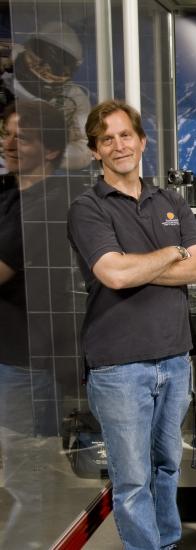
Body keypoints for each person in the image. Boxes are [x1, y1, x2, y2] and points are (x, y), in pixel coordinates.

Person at [67, 99, 196, 550]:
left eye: (125, 134)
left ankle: (165, 543)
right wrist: (173, 252)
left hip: (173, 358)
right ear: (95, 151)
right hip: (118, 368)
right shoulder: (88, 208)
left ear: (142, 141)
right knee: (132, 479)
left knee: (167, 467)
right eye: (106, 139)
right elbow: (113, 274)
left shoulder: (169, 200)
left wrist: (142, 265)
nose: (118, 145)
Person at [0, 100, 67, 548]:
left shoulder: (49, 203)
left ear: (50, 150)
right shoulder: (9, 192)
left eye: (21, 137)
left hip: (27, 360)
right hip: (9, 357)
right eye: (5, 133)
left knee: (29, 473)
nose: (8, 144)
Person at [1, 21, 92, 170]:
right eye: (44, 59)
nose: (46, 69)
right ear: (29, 50)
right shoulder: (7, 68)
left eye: (56, 66)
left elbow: (86, 148)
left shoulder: (73, 97)